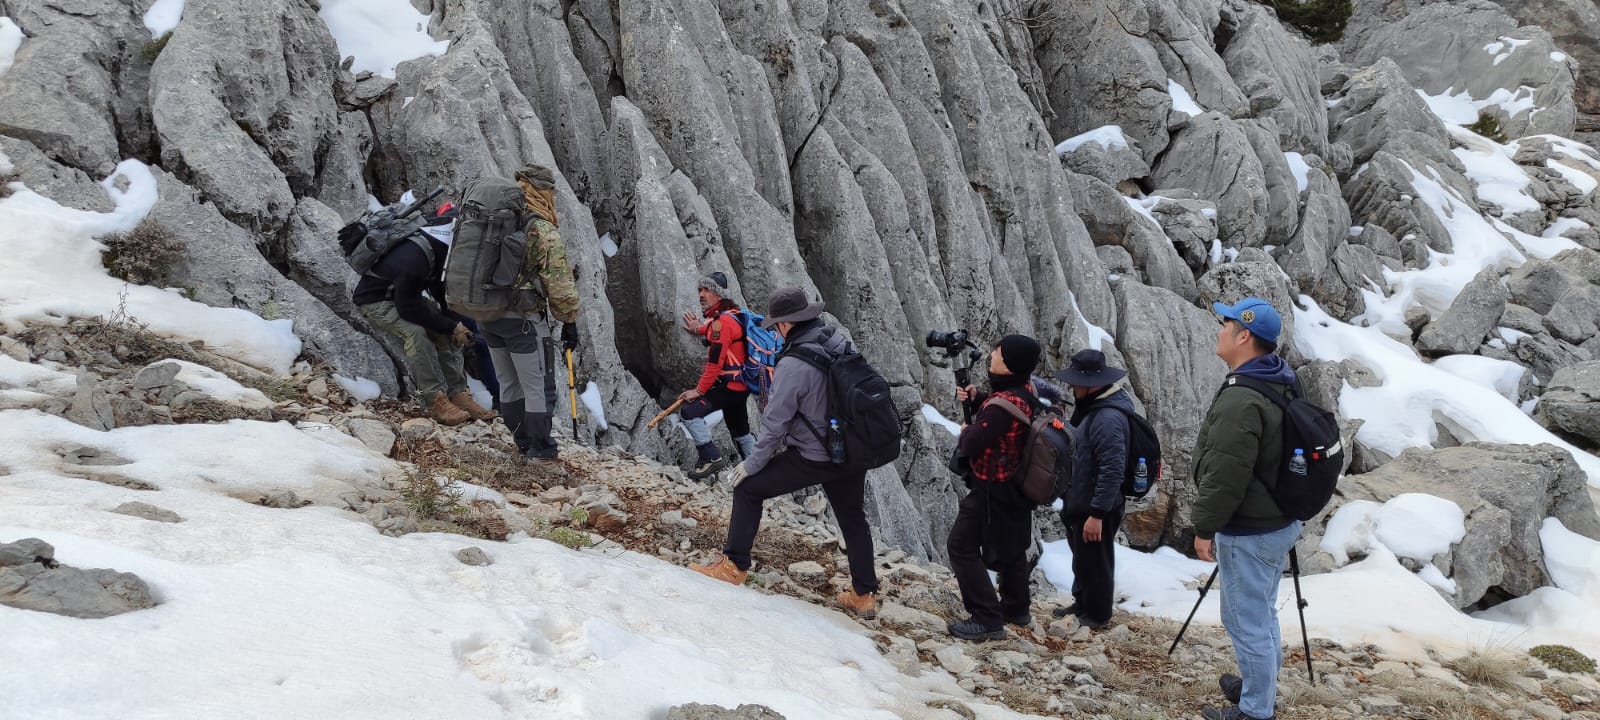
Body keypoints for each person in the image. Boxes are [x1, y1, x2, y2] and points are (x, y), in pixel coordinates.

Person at [689, 288, 879, 617]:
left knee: (748, 489)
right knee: (852, 517)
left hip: (816, 454)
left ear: (787, 324)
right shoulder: (835, 342)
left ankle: (733, 566)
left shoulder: (793, 364)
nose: (775, 331)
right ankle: (864, 594)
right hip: (850, 448)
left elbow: (775, 424)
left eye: (777, 325)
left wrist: (752, 464)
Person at [1192, 297, 1301, 720]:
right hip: (1278, 520)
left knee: (1245, 620)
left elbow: (1225, 473)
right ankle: (1261, 687)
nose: (1220, 330)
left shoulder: (1242, 398)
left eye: (1227, 324)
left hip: (1249, 529)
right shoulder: (1280, 377)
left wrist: (1205, 527)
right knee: (1262, 611)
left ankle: (1255, 711)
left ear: (1244, 336)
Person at [352, 205, 494, 426]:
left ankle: (459, 394)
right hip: (375, 301)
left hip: (403, 296)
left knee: (447, 330)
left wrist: (453, 323)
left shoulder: (436, 247)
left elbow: (438, 286)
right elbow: (407, 309)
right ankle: (435, 400)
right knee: (417, 334)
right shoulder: (415, 259)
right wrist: (450, 326)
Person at [480, 164, 581, 461]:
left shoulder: (495, 218)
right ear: (544, 191)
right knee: (537, 387)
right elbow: (560, 285)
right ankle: (541, 451)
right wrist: (569, 322)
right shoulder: (541, 229)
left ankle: (522, 444)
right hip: (523, 320)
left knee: (509, 383)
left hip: (487, 316)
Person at [945, 335, 1042, 641]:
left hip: (992, 488)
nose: (992, 355)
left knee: (960, 545)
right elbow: (1005, 412)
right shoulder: (1026, 390)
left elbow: (971, 443)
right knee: (1012, 548)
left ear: (1010, 364)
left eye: (998, 352)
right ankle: (1016, 609)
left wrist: (967, 430)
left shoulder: (1002, 406)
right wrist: (979, 398)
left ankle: (986, 618)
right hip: (1015, 486)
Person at [1051, 349, 1133, 630]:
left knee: (1097, 562)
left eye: (1076, 383)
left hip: (1097, 506)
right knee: (1084, 558)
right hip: (1084, 499)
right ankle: (1082, 603)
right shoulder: (1093, 408)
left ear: (1091, 384)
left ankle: (1097, 616)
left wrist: (1097, 514)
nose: (1072, 388)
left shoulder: (1107, 418)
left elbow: (1113, 470)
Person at [676, 271, 756, 479]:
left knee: (689, 412)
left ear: (719, 294)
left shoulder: (722, 322)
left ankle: (710, 458)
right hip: (741, 386)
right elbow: (715, 331)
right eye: (700, 290)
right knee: (740, 429)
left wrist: (698, 391)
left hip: (729, 387)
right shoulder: (733, 315)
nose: (701, 294)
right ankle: (756, 467)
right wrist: (698, 329)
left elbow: (715, 363)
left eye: (707, 290)